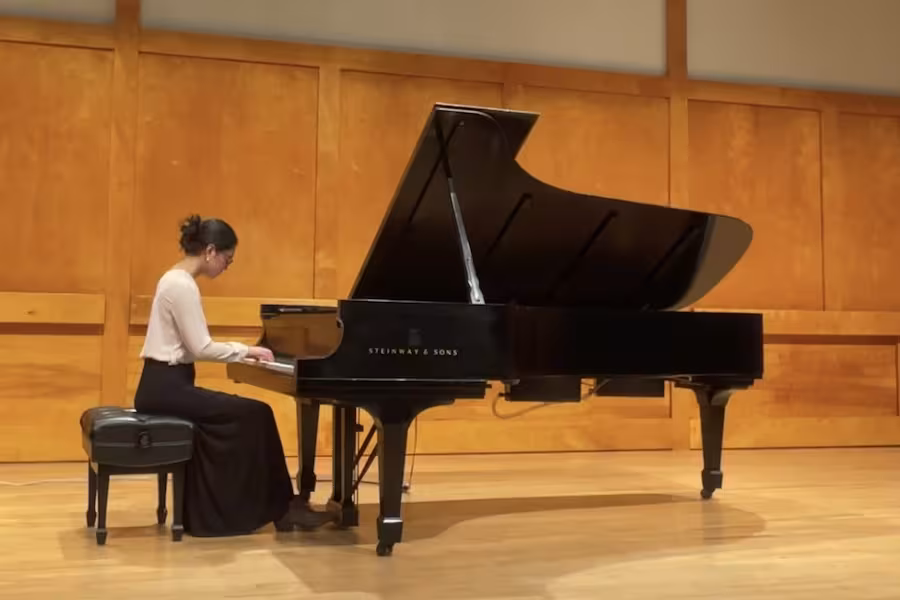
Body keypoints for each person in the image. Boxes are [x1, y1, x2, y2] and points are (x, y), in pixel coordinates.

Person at [134, 214, 331, 536]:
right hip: (165, 388)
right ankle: (278, 509)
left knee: (250, 415)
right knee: (257, 413)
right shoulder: (180, 285)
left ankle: (276, 508)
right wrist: (246, 351)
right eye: (228, 258)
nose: (227, 265)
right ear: (210, 251)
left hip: (165, 384)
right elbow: (200, 348)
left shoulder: (174, 280)